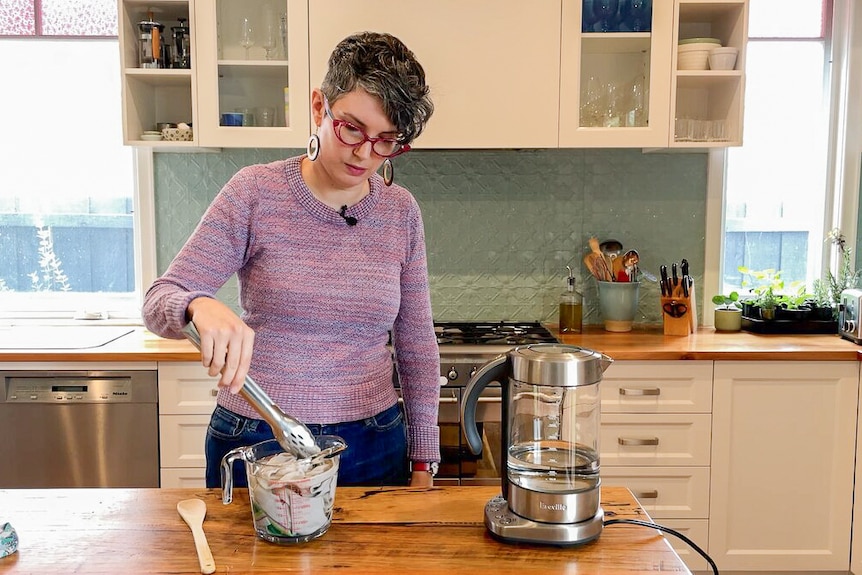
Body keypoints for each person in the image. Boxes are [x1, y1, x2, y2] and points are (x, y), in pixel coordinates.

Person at [142, 31, 440, 488]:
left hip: (375, 442)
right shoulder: (255, 192)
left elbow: (416, 343)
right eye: (352, 128)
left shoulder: (400, 211)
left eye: (386, 140)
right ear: (319, 107)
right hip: (258, 437)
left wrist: (423, 459)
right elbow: (159, 301)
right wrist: (197, 305)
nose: (365, 153)